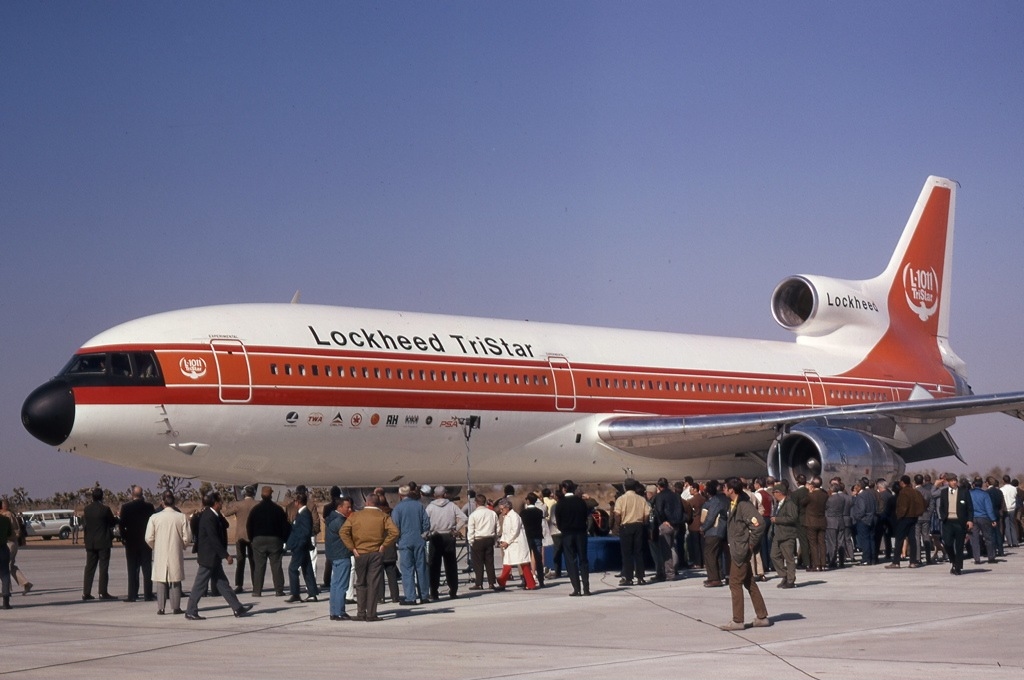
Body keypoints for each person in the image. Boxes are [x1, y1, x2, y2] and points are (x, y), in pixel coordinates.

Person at [184, 491, 253, 620]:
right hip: (208, 557)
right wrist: (226, 555)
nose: (222, 503)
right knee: (200, 585)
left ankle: (237, 608)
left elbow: (225, 525)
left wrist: (220, 515)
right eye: (220, 501)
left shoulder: (214, 515)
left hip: (213, 558)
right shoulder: (208, 516)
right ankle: (190, 610)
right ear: (215, 503)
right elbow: (213, 538)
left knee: (223, 584)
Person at [340, 492, 400, 622]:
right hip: (376, 553)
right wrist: (384, 545)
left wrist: (352, 548)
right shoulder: (383, 516)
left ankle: (361, 613)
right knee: (373, 583)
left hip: (359, 553)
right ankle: (371, 614)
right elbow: (395, 531)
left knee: (361, 583)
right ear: (377, 504)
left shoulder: (355, 516)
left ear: (366, 503)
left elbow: (343, 531)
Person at [720, 478, 770, 631]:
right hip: (737, 548)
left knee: (734, 583)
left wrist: (750, 544)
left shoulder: (744, 505)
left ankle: (738, 620)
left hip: (741, 550)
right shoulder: (733, 504)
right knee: (749, 582)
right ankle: (762, 617)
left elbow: (759, 524)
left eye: (725, 487)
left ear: (731, 490)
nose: (723, 490)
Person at [145, 491, 191, 615]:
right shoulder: (181, 517)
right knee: (175, 580)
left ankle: (161, 608)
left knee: (161, 580)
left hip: (160, 552)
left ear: (162, 502)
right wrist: (182, 545)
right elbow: (187, 537)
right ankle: (176, 607)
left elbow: (148, 537)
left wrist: (156, 546)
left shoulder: (154, 517)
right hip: (175, 551)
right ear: (174, 502)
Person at [246, 486, 290, 597]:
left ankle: (257, 591)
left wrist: (252, 539)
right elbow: (285, 526)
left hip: (258, 539)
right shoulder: (278, 509)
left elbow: (249, 526)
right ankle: (279, 590)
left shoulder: (255, 509)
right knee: (276, 565)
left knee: (259, 566)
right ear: (271, 495)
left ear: (261, 495)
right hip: (275, 540)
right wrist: (284, 539)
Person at [390, 484, 431, 605]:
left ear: (400, 495)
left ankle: (410, 597)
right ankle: (424, 595)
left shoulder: (397, 508)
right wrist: (423, 535)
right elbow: (426, 523)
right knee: (421, 568)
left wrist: (397, 540)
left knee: (407, 570)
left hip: (405, 541)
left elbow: (395, 527)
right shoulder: (419, 506)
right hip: (418, 540)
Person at [425, 485, 466, 600]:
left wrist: (427, 532)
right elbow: (464, 518)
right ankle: (453, 591)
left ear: (434, 495)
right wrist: (456, 529)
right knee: (451, 565)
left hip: (435, 536)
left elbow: (425, 521)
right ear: (445, 494)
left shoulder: (430, 508)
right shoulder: (452, 506)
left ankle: (434, 591)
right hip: (449, 535)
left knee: (434, 565)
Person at [118, 485, 156, 602]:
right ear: (142, 494)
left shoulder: (126, 507)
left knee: (132, 569)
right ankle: (148, 594)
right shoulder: (149, 507)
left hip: (131, 542)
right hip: (145, 542)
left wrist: (124, 538)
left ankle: (132, 594)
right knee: (147, 568)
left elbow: (121, 525)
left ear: (132, 495)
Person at [556, 480, 591, 596]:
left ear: (564, 489)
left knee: (571, 560)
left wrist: (564, 529)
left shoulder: (561, 503)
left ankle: (577, 588)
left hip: (567, 534)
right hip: (581, 533)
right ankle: (586, 588)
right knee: (583, 559)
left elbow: (558, 521)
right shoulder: (580, 502)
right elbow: (586, 516)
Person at [82, 487, 118, 601]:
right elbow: (112, 522)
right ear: (102, 497)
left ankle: (86, 592)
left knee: (89, 568)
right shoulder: (105, 509)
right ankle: (102, 591)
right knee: (103, 568)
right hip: (103, 542)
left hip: (91, 543)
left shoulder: (87, 509)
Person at [494, 498, 537, 590]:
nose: (501, 511)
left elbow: (515, 531)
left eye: (502, 509)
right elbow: (506, 531)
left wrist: (507, 541)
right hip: (511, 544)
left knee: (523, 563)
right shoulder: (506, 517)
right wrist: (503, 540)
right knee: (508, 563)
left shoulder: (514, 516)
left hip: (517, 544)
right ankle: (503, 582)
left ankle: (530, 584)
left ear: (507, 507)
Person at [614, 479, 650, 586]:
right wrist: (643, 522)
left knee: (627, 553)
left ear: (625, 487)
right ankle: (640, 577)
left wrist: (619, 523)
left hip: (626, 526)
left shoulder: (621, 499)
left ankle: (628, 578)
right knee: (638, 552)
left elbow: (617, 514)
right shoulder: (641, 499)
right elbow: (647, 514)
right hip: (639, 526)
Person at [285, 491, 319, 602]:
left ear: (298, 502)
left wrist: (299, 545)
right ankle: (313, 593)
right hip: (301, 546)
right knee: (307, 569)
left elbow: (305, 532)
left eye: (295, 501)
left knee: (292, 569)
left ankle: (295, 594)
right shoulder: (302, 513)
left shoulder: (304, 514)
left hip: (300, 547)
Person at [936, 473, 973, 575]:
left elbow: (970, 508)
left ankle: (957, 567)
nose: (954, 482)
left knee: (960, 545)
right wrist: (943, 517)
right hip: (948, 522)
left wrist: (970, 520)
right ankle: (953, 560)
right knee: (947, 543)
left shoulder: (964, 492)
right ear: (948, 482)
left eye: (955, 480)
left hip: (960, 522)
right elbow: (941, 506)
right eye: (952, 481)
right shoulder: (943, 492)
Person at [887, 475, 926, 568]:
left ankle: (896, 562)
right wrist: (918, 513)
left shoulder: (903, 492)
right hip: (914, 517)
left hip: (904, 518)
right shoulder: (915, 492)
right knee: (913, 540)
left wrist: (899, 516)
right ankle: (913, 561)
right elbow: (924, 503)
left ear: (902, 483)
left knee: (899, 540)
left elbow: (903, 507)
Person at [325, 497, 354, 620]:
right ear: (339, 507)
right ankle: (339, 611)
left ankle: (334, 611)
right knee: (341, 585)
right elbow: (348, 536)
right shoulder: (340, 521)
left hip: (334, 555)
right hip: (342, 555)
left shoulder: (331, 518)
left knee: (335, 584)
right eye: (347, 507)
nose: (350, 509)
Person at [225, 485, 257, 593]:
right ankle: (256, 583)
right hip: (252, 535)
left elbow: (226, 513)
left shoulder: (238, 505)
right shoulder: (257, 504)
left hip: (240, 536)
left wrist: (231, 503)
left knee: (240, 560)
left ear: (244, 493)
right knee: (253, 561)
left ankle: (239, 584)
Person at [652, 477, 685, 581]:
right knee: (673, 547)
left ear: (659, 486)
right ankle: (674, 569)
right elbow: (681, 509)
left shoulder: (660, 496)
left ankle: (668, 573)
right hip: (676, 524)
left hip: (666, 524)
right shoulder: (676, 496)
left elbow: (659, 510)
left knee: (665, 550)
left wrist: (663, 521)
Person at [466, 494, 498, 590]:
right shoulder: (492, 513)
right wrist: (495, 539)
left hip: (478, 540)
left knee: (478, 563)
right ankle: (491, 582)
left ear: (476, 503)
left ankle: (479, 583)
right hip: (489, 539)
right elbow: (497, 527)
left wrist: (471, 541)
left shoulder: (473, 515)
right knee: (489, 562)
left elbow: (471, 529)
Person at [700, 480, 729, 588]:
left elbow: (711, 517)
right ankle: (719, 575)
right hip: (721, 530)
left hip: (714, 530)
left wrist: (703, 527)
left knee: (709, 554)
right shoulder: (724, 499)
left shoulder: (716, 500)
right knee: (716, 554)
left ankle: (714, 578)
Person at [770, 484, 798, 588]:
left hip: (787, 534)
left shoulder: (790, 504)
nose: (774, 495)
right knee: (774, 555)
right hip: (778, 534)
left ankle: (790, 580)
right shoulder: (778, 504)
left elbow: (793, 518)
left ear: (780, 493)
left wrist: (778, 520)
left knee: (789, 558)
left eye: (774, 492)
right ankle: (784, 574)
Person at [0, 500, 31, 595]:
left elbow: (9, 531)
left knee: (6, 566)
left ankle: (6, 590)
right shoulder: (10, 515)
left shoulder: (7, 516)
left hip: (9, 543)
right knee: (10, 565)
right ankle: (25, 583)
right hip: (11, 542)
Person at [969, 478, 998, 564]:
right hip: (984, 517)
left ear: (974, 484)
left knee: (974, 539)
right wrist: (993, 519)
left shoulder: (969, 494)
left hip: (973, 518)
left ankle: (977, 558)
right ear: (981, 485)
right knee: (988, 538)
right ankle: (991, 557)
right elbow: (989, 508)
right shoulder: (985, 494)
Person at [521, 492, 546, 588]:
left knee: (526, 558)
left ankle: (527, 580)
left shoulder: (523, 513)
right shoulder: (539, 512)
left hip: (527, 536)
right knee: (538, 558)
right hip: (537, 535)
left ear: (528, 500)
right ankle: (541, 580)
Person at [850, 481, 877, 565]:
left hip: (864, 520)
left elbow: (862, 509)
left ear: (859, 487)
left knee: (865, 540)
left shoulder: (861, 496)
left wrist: (857, 517)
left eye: (855, 487)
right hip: (872, 519)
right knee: (871, 539)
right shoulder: (870, 495)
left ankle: (866, 559)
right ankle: (873, 558)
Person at [0, 510, 12, 609]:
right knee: (5, 574)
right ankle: (6, 601)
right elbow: (9, 533)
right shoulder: (5, 520)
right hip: (3, 549)